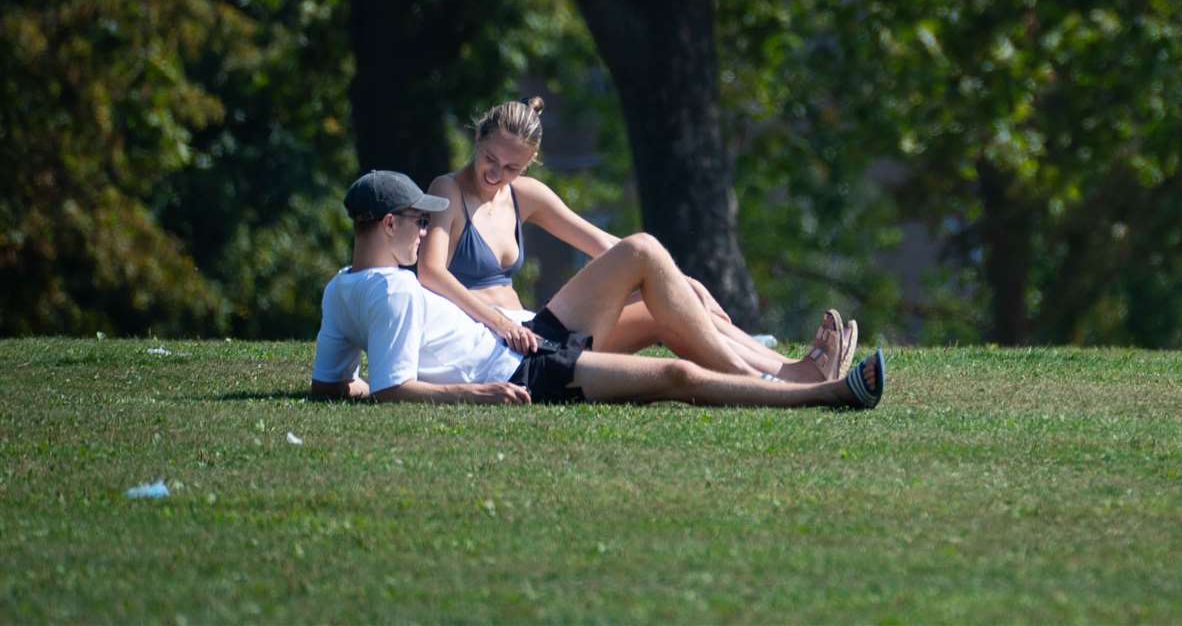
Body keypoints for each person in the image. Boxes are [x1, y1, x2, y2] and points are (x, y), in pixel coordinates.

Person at [309, 170, 886, 407]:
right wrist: (477, 394)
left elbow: (328, 386)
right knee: (675, 376)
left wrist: (354, 386)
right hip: (525, 370)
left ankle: (790, 372)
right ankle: (820, 395)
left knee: (643, 253)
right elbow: (393, 390)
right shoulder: (397, 291)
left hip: (526, 340)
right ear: (389, 225)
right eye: (418, 222)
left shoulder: (342, 287)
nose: (425, 231)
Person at [415, 96, 856, 384]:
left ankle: (793, 371)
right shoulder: (447, 190)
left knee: (679, 306)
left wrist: (682, 281)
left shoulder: (523, 195)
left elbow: (601, 243)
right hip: (500, 342)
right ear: (477, 138)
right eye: (490, 159)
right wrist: (501, 322)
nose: (496, 174)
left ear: (528, 167)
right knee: (650, 261)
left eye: (512, 168)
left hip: (535, 329)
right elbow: (430, 272)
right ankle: (771, 384)